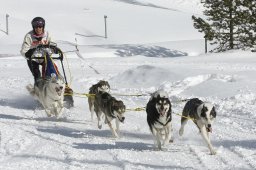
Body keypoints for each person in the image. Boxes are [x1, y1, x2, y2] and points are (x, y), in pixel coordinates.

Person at [20, 17, 52, 85]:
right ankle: (38, 89)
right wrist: (28, 53)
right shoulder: (29, 36)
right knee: (37, 77)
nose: (38, 29)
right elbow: (23, 51)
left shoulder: (47, 34)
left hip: (45, 58)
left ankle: (53, 87)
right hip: (33, 59)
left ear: (43, 26)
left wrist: (53, 49)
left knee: (50, 74)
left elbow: (52, 45)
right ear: (33, 27)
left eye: (40, 27)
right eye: (36, 27)